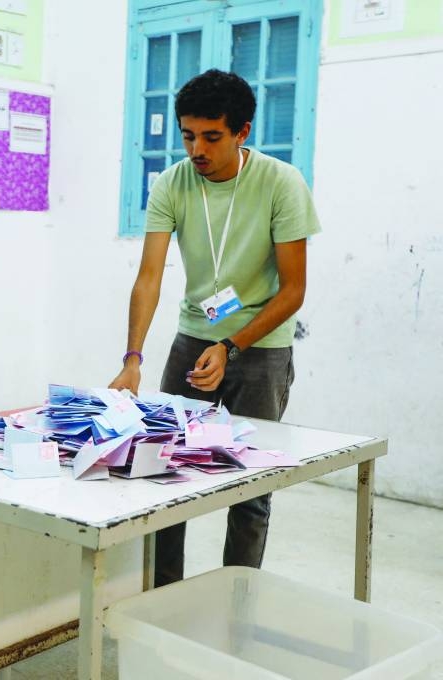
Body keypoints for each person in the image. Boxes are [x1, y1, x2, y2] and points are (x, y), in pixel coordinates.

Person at [107, 69, 321, 587]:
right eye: (187, 135)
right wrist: (132, 358)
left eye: (211, 136)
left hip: (262, 348)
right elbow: (149, 276)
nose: (196, 149)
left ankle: (238, 600)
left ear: (242, 131)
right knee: (163, 471)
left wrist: (231, 343)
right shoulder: (173, 182)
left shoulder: (281, 183)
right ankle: (162, 596)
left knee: (250, 485)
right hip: (193, 340)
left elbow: (293, 290)